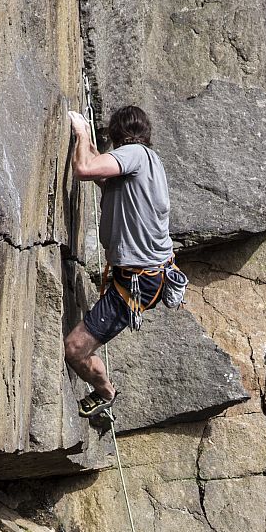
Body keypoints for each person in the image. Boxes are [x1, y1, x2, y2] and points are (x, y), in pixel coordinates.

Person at [65, 104, 174, 424]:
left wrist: (82, 133)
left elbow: (83, 170)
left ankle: (105, 392)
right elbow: (106, 177)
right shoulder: (149, 162)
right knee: (79, 345)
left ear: (118, 137)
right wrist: (93, 150)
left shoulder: (134, 155)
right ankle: (103, 392)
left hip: (135, 282)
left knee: (74, 349)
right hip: (144, 275)